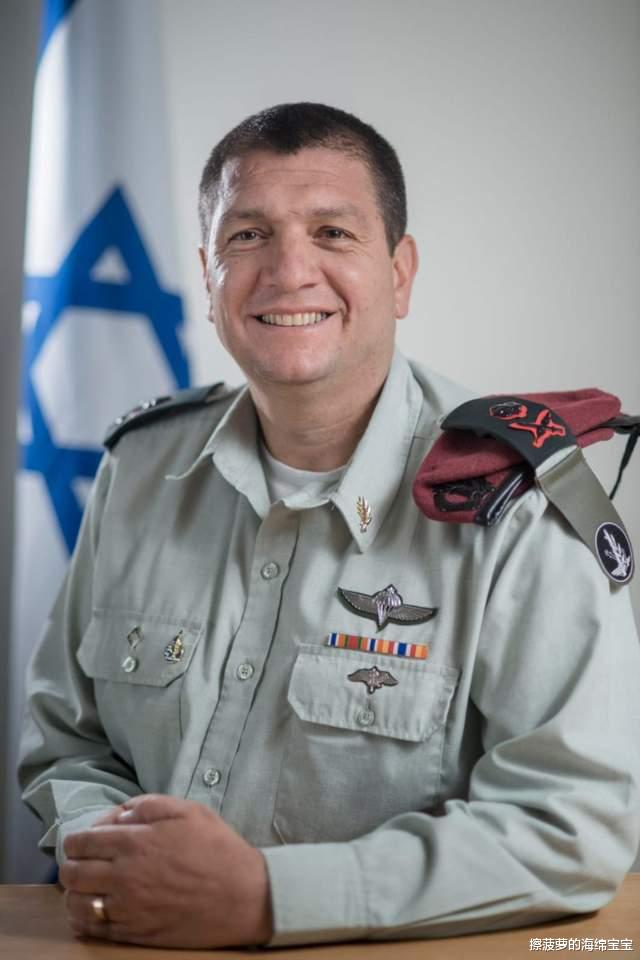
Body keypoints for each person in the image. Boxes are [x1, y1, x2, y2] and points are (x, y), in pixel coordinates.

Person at [18, 102, 640, 949]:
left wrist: (270, 898)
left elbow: (571, 823)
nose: (288, 271)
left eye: (333, 233)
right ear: (207, 276)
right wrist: (121, 853)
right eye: (248, 236)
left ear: (400, 273)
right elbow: (67, 739)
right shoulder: (139, 473)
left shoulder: (518, 505)